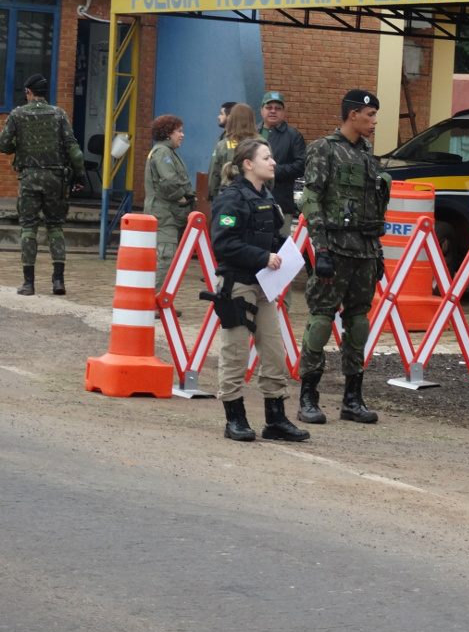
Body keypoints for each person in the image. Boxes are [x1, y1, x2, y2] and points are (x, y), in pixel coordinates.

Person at [296, 89, 390, 426]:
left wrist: (377, 252)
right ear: (353, 114)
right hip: (333, 247)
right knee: (321, 321)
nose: (374, 121)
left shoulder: (367, 155)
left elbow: (372, 209)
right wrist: (320, 249)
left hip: (364, 251)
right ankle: (308, 397)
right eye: (370, 115)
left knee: (359, 323)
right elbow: (311, 199)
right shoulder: (324, 149)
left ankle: (353, 399)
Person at [210, 137, 309, 443]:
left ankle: (276, 419)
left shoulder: (266, 196)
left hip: (263, 285)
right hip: (238, 284)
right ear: (247, 164)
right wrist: (262, 257)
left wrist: (288, 253)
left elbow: (271, 236)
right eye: (267, 157)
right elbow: (223, 243)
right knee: (236, 351)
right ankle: (235, 418)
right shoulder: (231, 199)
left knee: (274, 351)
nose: (273, 162)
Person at [0, 73, 85, 296]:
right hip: (55, 179)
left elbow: (3, 145)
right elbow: (74, 150)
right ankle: (58, 281)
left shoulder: (17, 115)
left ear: (28, 92)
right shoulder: (59, 114)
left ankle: (28, 283)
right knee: (55, 228)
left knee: (28, 228)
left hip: (29, 178)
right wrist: (81, 176)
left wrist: (17, 147)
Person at [143, 114, 196, 292]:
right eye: (178, 131)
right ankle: (154, 301)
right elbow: (169, 181)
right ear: (167, 133)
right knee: (165, 257)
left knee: (167, 258)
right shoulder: (163, 152)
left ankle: (160, 300)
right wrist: (182, 199)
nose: (182, 135)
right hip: (165, 214)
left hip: (168, 214)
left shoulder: (166, 152)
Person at [259, 91, 306, 236]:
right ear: (262, 110)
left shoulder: (293, 136)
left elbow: (300, 166)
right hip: (253, 201)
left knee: (280, 250)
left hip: (280, 203)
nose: (273, 111)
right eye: (269, 107)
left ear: (283, 112)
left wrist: (272, 171)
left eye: (278, 108)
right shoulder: (253, 132)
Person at [207, 103, 258, 200]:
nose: (218, 116)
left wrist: (216, 197)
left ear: (231, 117)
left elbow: (214, 175)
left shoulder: (223, 145)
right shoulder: (262, 144)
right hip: (256, 198)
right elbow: (270, 177)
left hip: (228, 198)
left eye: (221, 114)